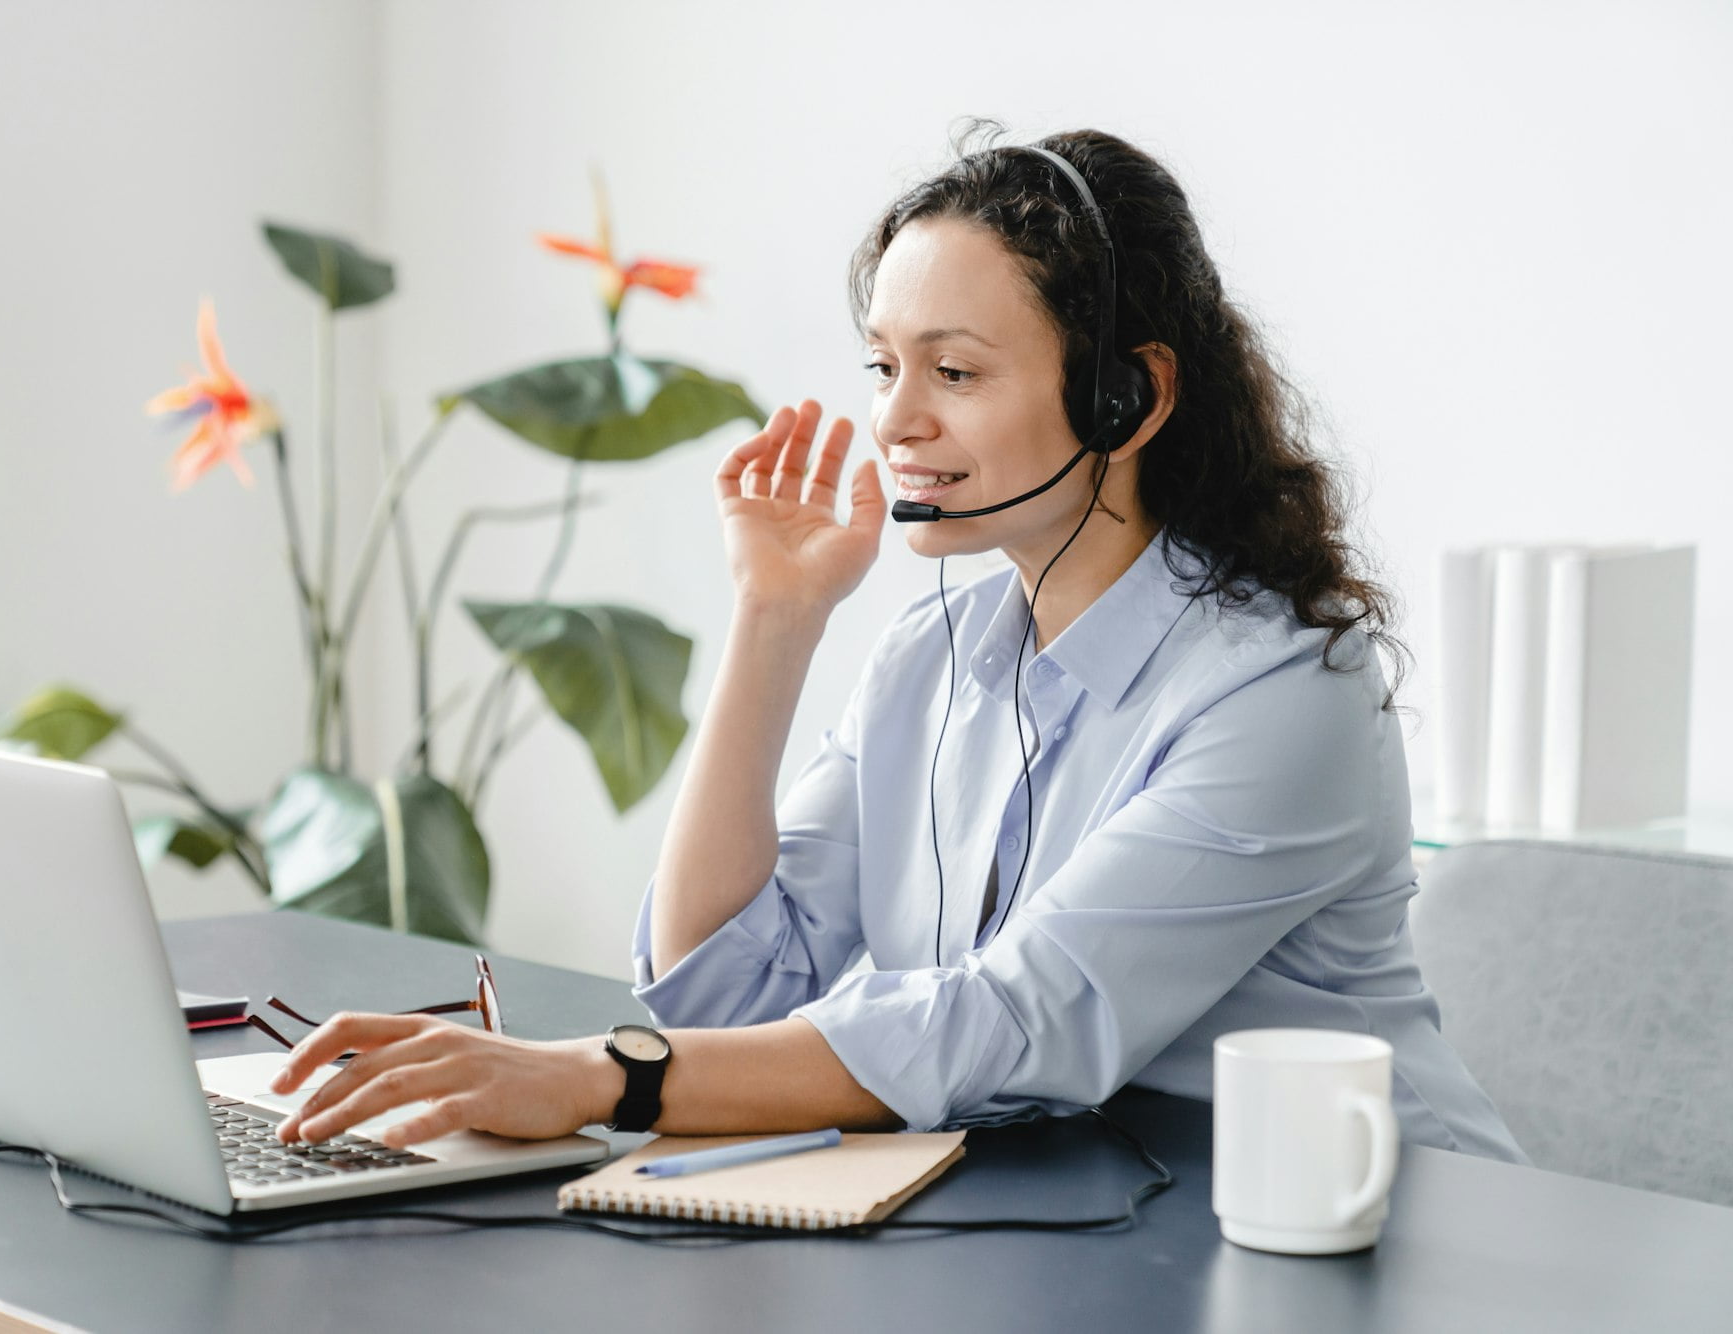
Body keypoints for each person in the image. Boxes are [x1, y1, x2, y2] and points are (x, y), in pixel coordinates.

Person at [270, 126, 1525, 1164]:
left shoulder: (1281, 686)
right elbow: (718, 992)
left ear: (1123, 397)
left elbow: (1019, 1022)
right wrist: (775, 621)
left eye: (955, 371)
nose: (894, 419)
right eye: (881, 364)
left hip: (1374, 1240)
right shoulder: (935, 657)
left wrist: (591, 1079)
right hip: (1088, 1218)